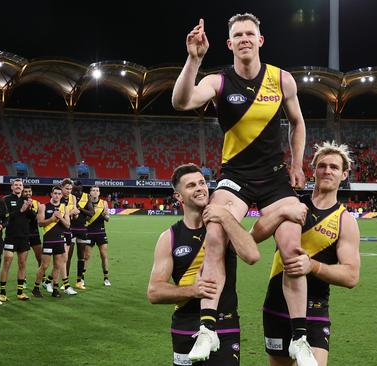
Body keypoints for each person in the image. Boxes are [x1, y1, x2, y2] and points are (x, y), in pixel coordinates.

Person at [172, 14, 310, 364]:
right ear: (230, 43)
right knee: (215, 233)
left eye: (251, 33)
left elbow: (297, 122)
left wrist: (297, 164)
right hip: (235, 176)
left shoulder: (282, 79)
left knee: (293, 246)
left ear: (260, 41)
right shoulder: (218, 81)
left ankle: (300, 338)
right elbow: (182, 102)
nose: (245, 38)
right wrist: (194, 59)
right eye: (238, 34)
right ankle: (207, 330)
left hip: (276, 176)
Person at [251, 142, 361, 366]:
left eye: (334, 167)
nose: (327, 171)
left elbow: (351, 276)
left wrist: (313, 266)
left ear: (344, 174)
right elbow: (254, 235)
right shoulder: (292, 205)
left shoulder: (345, 221)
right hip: (277, 305)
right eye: (322, 166)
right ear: (314, 171)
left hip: (315, 309)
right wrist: (281, 212)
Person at [147, 164, 259, 366]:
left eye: (202, 183)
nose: (200, 188)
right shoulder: (169, 238)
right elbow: (154, 292)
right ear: (178, 197)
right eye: (191, 185)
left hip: (224, 325)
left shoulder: (225, 228)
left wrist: (225, 216)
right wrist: (192, 290)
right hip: (185, 326)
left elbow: (252, 255)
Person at [32, 186, 70, 298]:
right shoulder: (43, 207)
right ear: (51, 194)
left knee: (57, 265)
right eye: (55, 193)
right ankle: (36, 288)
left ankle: (55, 289)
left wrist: (60, 218)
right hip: (48, 240)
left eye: (59, 194)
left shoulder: (65, 208)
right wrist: (52, 219)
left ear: (61, 195)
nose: (57, 195)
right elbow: (40, 223)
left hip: (59, 240)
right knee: (44, 266)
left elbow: (67, 225)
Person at [0, 178, 34, 301]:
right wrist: (21, 210)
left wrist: (29, 208)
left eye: (20, 185)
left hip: (24, 236)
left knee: (22, 264)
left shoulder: (27, 200)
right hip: (11, 236)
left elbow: (33, 218)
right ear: (12, 187)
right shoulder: (6, 200)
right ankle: (2, 292)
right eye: (16, 185)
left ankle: (20, 292)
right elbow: (6, 217)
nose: (19, 186)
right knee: (7, 263)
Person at [83, 186, 111, 287]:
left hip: (101, 232)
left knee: (104, 255)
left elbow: (108, 218)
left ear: (99, 193)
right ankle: (81, 278)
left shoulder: (104, 203)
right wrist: (90, 214)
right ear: (90, 193)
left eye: (97, 191)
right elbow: (83, 218)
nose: (95, 192)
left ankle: (106, 278)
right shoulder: (86, 202)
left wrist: (105, 215)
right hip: (89, 232)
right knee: (86, 256)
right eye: (93, 190)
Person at [70, 181, 93, 289]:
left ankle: (79, 280)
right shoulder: (69, 197)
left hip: (82, 229)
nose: (77, 192)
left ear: (82, 189)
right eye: (75, 190)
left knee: (81, 256)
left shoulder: (86, 197)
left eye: (79, 190)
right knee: (67, 257)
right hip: (70, 229)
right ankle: (66, 282)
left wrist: (80, 209)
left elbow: (91, 213)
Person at [23, 185, 43, 267]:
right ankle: (22, 278)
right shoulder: (20, 202)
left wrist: (30, 209)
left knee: (40, 257)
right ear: (22, 192)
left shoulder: (37, 203)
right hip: (23, 233)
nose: (28, 193)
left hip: (34, 232)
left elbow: (38, 219)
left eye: (29, 191)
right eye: (26, 191)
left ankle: (42, 275)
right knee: (23, 259)